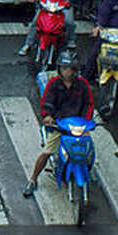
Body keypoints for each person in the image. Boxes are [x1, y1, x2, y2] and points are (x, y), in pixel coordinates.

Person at [23, 49, 94, 197]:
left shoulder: (83, 85)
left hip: (78, 125)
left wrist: (87, 122)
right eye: (65, 68)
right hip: (59, 125)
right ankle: (33, 179)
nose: (68, 72)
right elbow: (46, 102)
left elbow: (89, 104)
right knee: (48, 151)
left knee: (89, 150)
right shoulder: (54, 84)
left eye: (71, 69)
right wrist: (48, 116)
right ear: (60, 68)